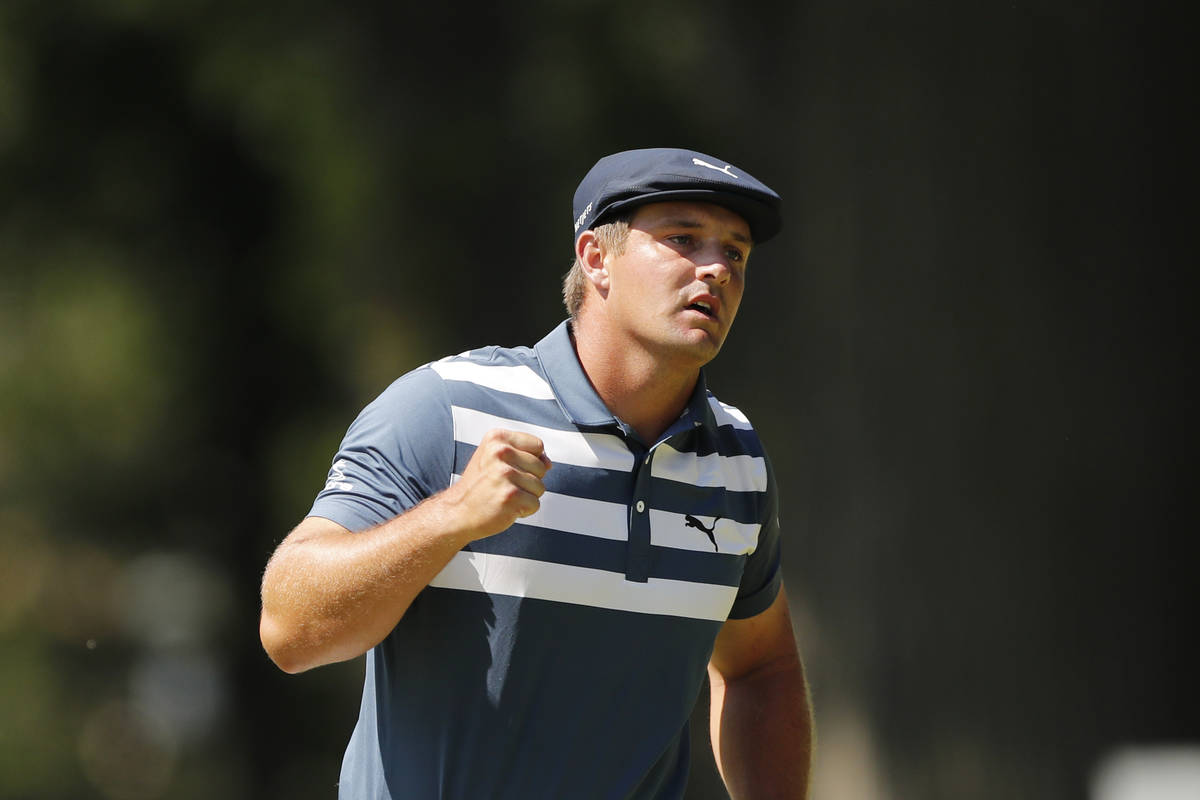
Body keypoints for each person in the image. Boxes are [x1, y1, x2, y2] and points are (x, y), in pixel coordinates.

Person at [260, 147, 814, 799]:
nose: (717, 269)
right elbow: (291, 629)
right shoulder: (445, 409)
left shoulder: (736, 463)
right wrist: (452, 517)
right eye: (683, 239)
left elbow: (759, 667)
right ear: (596, 258)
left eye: (736, 253)